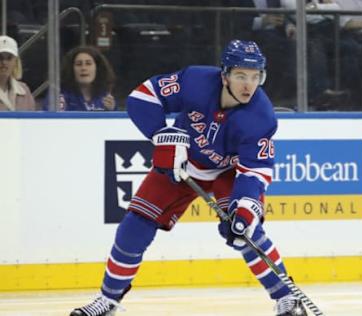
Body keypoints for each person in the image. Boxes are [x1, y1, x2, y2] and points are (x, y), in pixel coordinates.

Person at [69, 40, 307, 316]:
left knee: (246, 232)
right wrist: (162, 134)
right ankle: (108, 300)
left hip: (228, 173)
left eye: (256, 77)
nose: (248, 85)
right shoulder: (194, 80)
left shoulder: (261, 117)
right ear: (225, 74)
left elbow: (255, 169)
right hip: (181, 165)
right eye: (241, 75)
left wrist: (245, 208)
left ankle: (288, 299)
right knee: (134, 227)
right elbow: (143, 96)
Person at [53, 46, 116, 111]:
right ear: (71, 69)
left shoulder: (106, 97)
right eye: (79, 64)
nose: (83, 68)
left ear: (97, 68)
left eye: (88, 63)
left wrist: (111, 110)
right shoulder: (57, 96)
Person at [0, 35, 35, 111]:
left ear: (16, 62)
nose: (4, 62)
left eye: (9, 58)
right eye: (0, 57)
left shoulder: (24, 90)